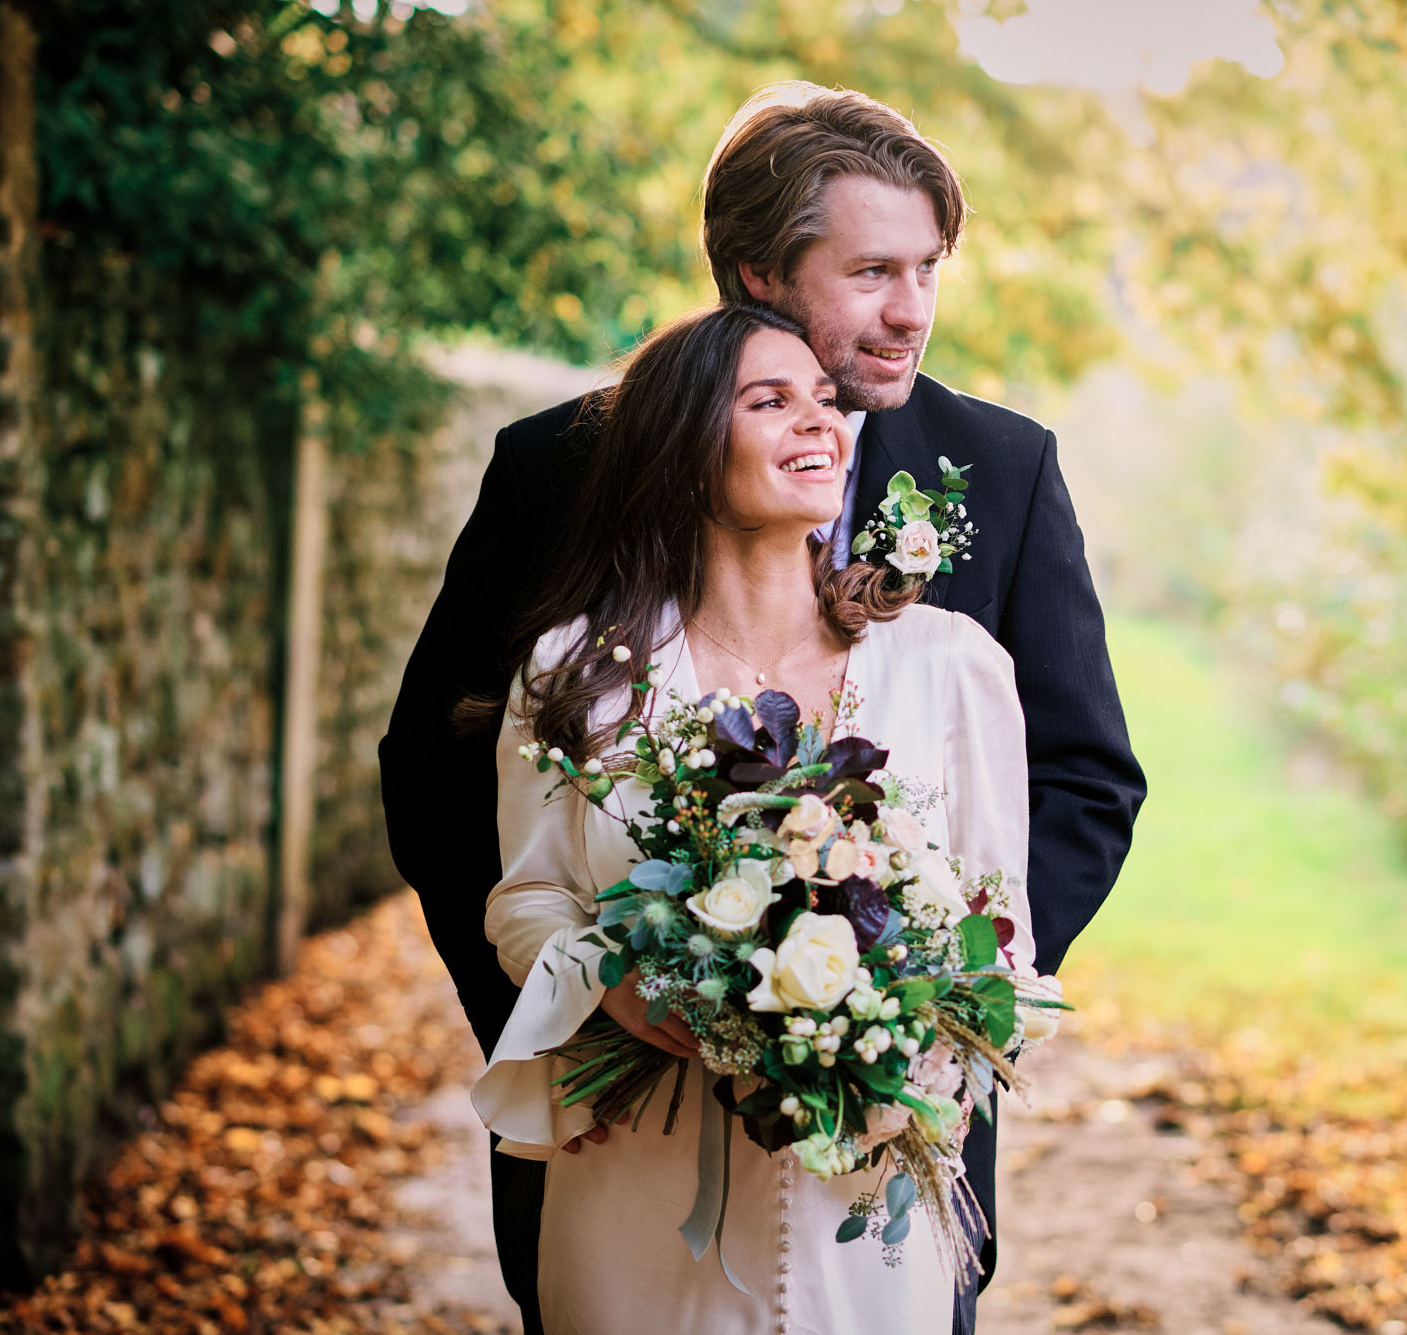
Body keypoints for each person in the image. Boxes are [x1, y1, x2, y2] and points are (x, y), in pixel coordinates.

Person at [379, 84, 1145, 1334]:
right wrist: (586, 1020)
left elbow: (1081, 780)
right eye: (872, 271)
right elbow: (437, 769)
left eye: (929, 268)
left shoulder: (1002, 470)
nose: (912, 312)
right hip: (619, 1136)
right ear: (754, 275)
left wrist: (910, 1005)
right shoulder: (561, 465)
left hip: (886, 1144)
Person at [470, 302, 1029, 1333]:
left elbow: (998, 933)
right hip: (638, 1164)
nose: (818, 422)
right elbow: (528, 898)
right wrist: (616, 988)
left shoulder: (952, 667)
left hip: (862, 1186)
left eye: (824, 400)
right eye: (770, 401)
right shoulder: (578, 676)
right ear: (680, 449)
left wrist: (904, 1059)